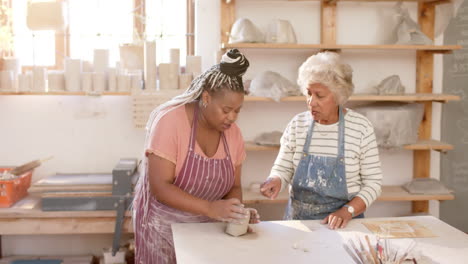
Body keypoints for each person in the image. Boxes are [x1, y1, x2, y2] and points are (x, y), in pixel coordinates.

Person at [133, 49, 260, 263]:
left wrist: (236, 214)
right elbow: (160, 187)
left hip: (207, 231)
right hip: (163, 232)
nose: (232, 118)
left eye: (238, 111)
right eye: (226, 109)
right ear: (206, 97)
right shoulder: (170, 122)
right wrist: (210, 208)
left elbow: (234, 187)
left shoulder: (233, 134)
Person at [260, 51, 382, 230]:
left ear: (338, 95)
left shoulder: (360, 128)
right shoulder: (297, 125)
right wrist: (276, 180)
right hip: (299, 222)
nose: (311, 102)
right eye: (308, 93)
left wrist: (347, 211)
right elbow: (283, 167)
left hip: (345, 223)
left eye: (320, 95)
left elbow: (373, 183)